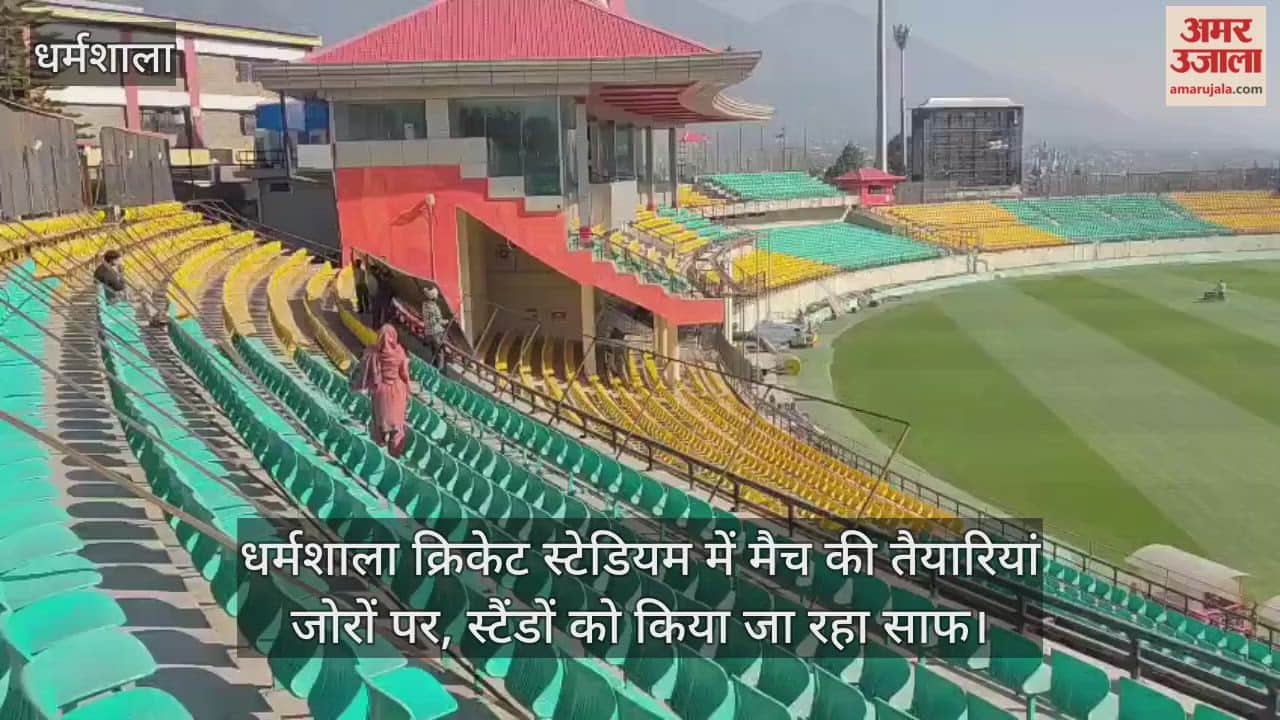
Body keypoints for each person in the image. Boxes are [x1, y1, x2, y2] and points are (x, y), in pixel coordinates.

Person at [351, 324, 410, 458]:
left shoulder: (373, 353)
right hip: (397, 391)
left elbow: (364, 369)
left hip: (380, 391)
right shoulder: (400, 352)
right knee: (397, 425)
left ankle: (378, 450)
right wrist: (407, 387)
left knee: (380, 421)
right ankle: (395, 453)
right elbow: (404, 374)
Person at [420, 286, 447, 370]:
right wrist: (447, 321)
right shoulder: (434, 308)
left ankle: (433, 369)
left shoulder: (424, 305)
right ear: (434, 297)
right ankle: (439, 371)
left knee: (433, 351)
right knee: (440, 352)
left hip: (428, 333)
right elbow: (438, 321)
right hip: (436, 333)